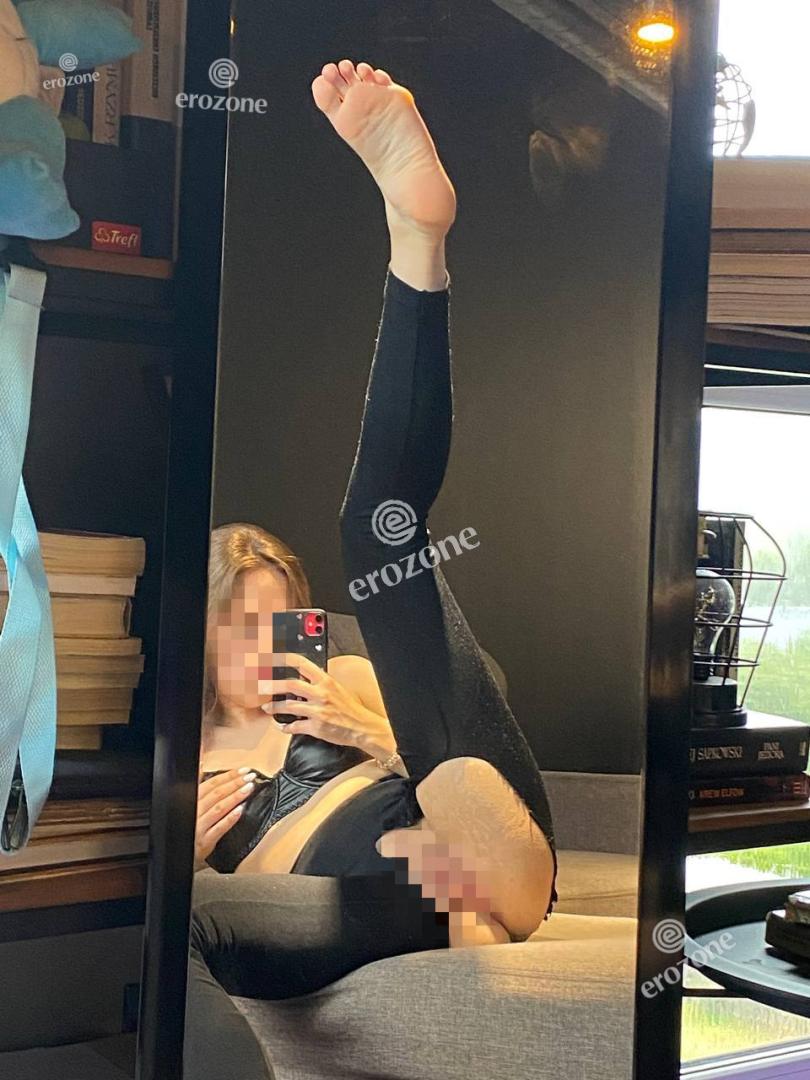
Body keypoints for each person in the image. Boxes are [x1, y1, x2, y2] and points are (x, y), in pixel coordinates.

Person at [184, 58, 557, 1080]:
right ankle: (456, 928)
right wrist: (185, 851)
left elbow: (454, 743)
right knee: (214, 915)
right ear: (197, 633)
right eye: (237, 625)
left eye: (280, 620)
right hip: (390, 898)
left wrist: (369, 734)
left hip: (479, 824)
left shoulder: (342, 680)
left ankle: (416, 236)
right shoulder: (179, 760)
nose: (263, 648)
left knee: (380, 535)